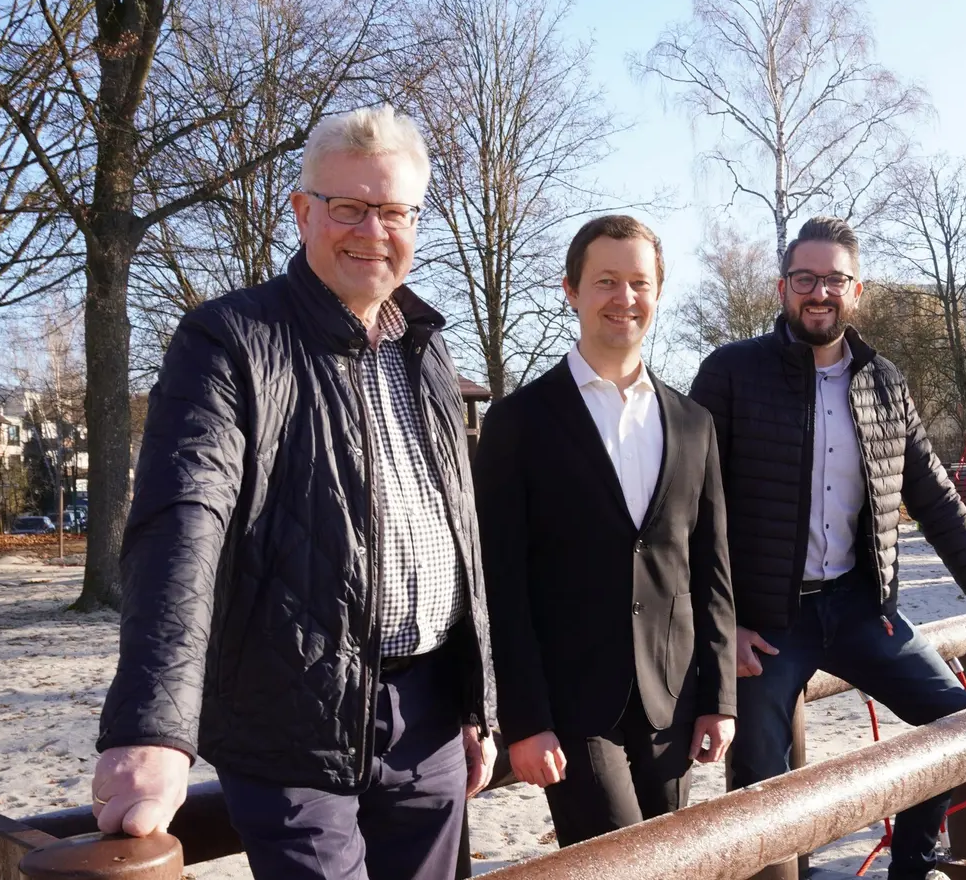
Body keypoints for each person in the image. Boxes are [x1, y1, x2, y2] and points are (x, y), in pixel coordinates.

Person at [92, 104, 497, 880]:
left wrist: (478, 702)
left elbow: (461, 531)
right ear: (304, 211)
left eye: (394, 211)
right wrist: (152, 727)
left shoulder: (429, 349)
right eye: (348, 207)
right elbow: (184, 522)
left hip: (431, 722)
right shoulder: (229, 339)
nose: (371, 231)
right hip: (292, 720)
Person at [689, 215, 966, 880]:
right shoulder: (730, 374)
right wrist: (724, 627)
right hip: (766, 622)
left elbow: (938, 499)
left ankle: (911, 870)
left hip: (861, 609)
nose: (819, 292)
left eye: (834, 279)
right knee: (760, 784)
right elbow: (688, 511)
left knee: (960, 726)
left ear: (856, 291)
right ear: (783, 287)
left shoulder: (884, 381)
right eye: (805, 278)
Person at [474, 215, 738, 846]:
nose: (625, 299)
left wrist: (719, 696)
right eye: (606, 281)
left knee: (671, 863)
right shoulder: (519, 422)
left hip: (671, 699)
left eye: (639, 283)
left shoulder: (694, 422)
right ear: (571, 289)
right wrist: (524, 718)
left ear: (657, 292)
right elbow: (498, 584)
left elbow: (712, 569)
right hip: (571, 709)